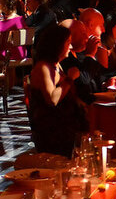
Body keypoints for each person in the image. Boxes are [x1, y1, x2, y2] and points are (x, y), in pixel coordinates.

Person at [26, 23, 86, 156]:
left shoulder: (56, 65)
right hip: (51, 132)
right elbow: (52, 100)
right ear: (57, 44)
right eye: (68, 42)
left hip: (64, 126)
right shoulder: (43, 68)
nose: (71, 47)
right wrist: (70, 79)